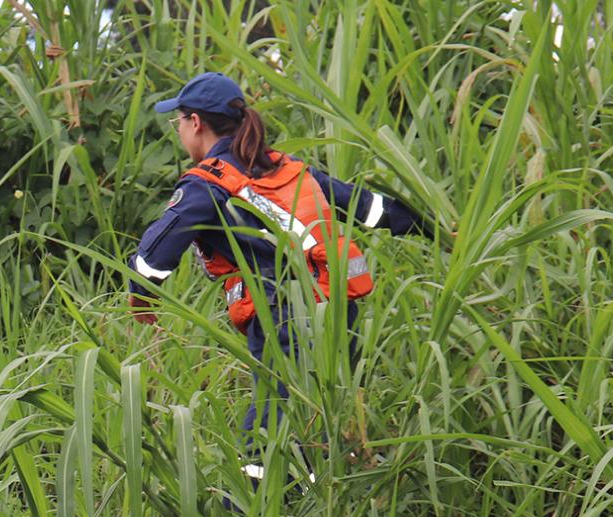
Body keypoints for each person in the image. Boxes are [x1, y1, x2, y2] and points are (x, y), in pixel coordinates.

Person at [128, 71, 431, 483]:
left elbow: (154, 253)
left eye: (177, 121)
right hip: (341, 314)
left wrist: (141, 295)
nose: (178, 130)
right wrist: (437, 227)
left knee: (268, 430)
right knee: (319, 419)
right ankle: (318, 511)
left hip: (283, 319)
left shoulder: (207, 184)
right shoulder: (294, 170)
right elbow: (374, 209)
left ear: (195, 123)